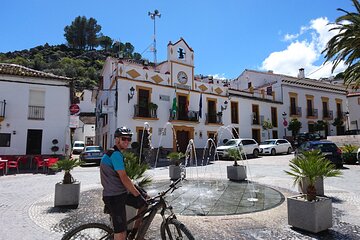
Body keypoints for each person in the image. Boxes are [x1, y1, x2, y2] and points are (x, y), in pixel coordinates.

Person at [100, 127, 148, 240]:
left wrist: (139, 192)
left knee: (145, 202)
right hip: (114, 197)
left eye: (129, 139)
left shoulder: (114, 152)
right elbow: (123, 177)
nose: (127, 141)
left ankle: (134, 234)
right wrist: (137, 194)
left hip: (120, 193)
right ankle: (126, 234)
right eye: (124, 139)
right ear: (117, 140)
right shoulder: (115, 155)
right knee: (121, 233)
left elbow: (122, 178)